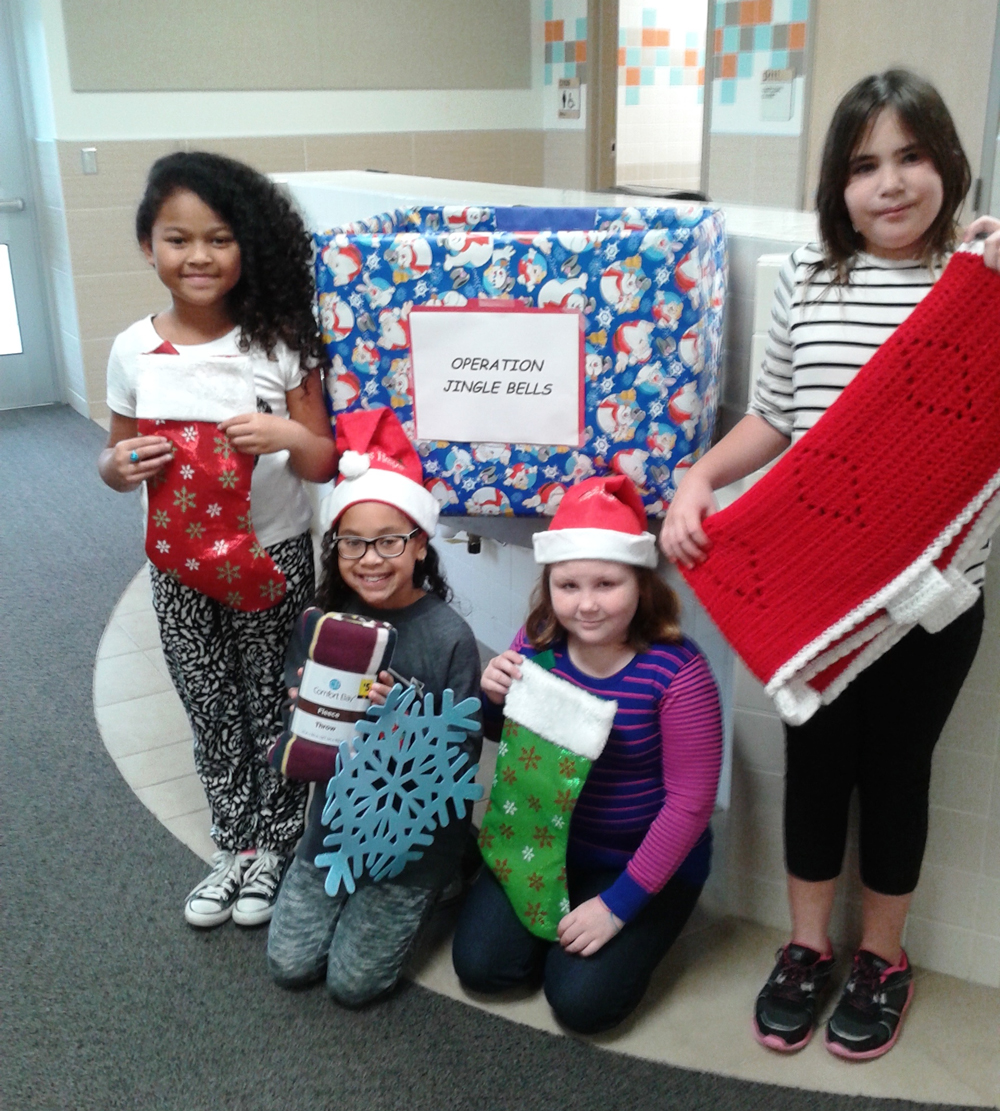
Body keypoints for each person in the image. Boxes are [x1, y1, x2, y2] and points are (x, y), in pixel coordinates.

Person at [660, 70, 1000, 1060]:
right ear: (836, 182)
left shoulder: (978, 284)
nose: (889, 184)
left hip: (932, 601)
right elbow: (772, 417)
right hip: (814, 588)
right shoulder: (805, 274)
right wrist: (696, 484)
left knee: (896, 775)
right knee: (813, 767)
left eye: (910, 157)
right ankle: (807, 948)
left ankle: (882, 958)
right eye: (863, 165)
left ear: (947, 163)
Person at [98, 151, 337, 928]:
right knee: (208, 702)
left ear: (248, 247)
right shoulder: (133, 349)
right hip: (178, 565)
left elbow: (323, 453)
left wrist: (279, 432)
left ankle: (274, 842)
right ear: (147, 246)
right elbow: (114, 456)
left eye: (219, 237)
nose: (198, 255)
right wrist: (118, 465)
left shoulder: (279, 339)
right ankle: (230, 843)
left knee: (274, 700)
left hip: (271, 552)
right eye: (177, 238)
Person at [452, 474, 722, 1034]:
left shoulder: (677, 671)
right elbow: (509, 743)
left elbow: (690, 807)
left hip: (639, 861)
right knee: (482, 968)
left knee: (580, 1004)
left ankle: (616, 928)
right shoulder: (537, 643)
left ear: (641, 584)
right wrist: (492, 695)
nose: (587, 605)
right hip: (541, 841)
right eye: (569, 585)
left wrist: (618, 906)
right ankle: (555, 936)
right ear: (549, 584)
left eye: (607, 583)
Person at [266, 406, 483, 1008]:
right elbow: (296, 716)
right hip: (334, 825)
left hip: (414, 837)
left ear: (419, 545)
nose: (370, 558)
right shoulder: (321, 623)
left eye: (389, 540)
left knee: (353, 985)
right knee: (290, 966)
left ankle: (457, 863)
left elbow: (461, 762)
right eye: (352, 543)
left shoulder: (447, 637)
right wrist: (300, 711)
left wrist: (406, 716)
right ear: (334, 548)